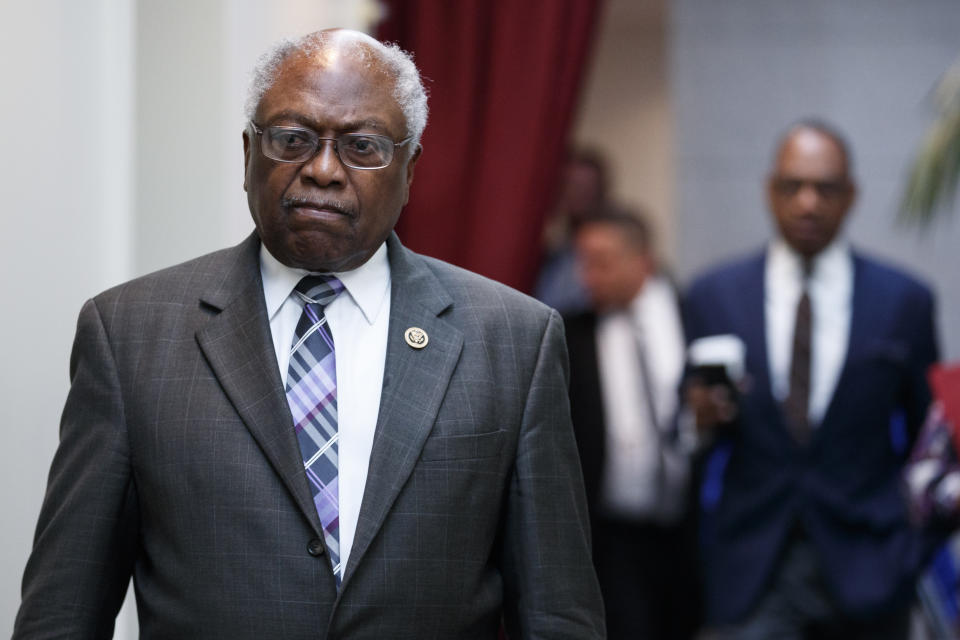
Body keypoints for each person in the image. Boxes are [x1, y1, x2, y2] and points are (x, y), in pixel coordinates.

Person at [14, 29, 604, 639]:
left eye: (363, 146)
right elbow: (63, 610)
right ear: (248, 155)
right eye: (292, 139)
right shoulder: (131, 334)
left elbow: (558, 614)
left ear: (409, 170)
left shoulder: (513, 340)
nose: (323, 170)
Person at [683, 120, 939, 639]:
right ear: (768, 191)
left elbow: (928, 442)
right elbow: (681, 421)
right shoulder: (715, 294)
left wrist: (909, 551)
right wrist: (699, 419)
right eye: (792, 186)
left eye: (825, 188)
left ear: (851, 196)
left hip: (869, 562)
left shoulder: (903, 300)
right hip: (752, 562)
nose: (807, 203)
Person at [564, 208, 699, 639]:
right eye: (583, 262)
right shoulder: (570, 334)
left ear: (642, 260)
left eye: (601, 262)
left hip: (689, 528)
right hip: (611, 533)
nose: (588, 276)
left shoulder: (692, 315)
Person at [534, 148, 609, 313]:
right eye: (572, 186)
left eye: (587, 187)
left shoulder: (611, 241)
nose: (579, 194)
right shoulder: (550, 246)